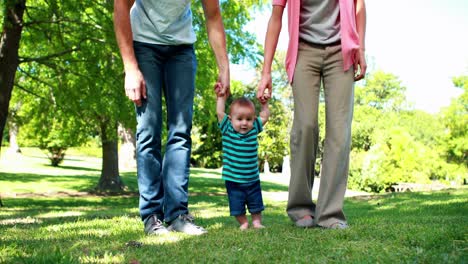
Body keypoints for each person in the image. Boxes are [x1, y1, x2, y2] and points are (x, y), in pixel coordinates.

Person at [113, 0, 230, 236]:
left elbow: (213, 16)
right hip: (143, 43)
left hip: (181, 49)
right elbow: (120, 7)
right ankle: (152, 216)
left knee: (180, 131)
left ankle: (177, 214)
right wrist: (130, 68)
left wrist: (224, 66)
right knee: (149, 128)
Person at [257, 0, 367, 229]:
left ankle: (330, 214)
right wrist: (266, 71)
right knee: (305, 126)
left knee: (339, 131)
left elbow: (359, 6)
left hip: (341, 51)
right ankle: (301, 208)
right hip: (304, 50)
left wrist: (361, 48)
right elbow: (276, 16)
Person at [215, 84, 270, 230]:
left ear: (253, 119)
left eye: (248, 119)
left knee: (256, 203)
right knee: (236, 205)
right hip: (233, 180)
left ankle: (257, 222)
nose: (244, 123)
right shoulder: (227, 129)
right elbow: (220, 112)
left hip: (252, 179)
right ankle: (243, 222)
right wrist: (221, 97)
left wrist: (264, 105)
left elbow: (264, 116)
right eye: (239, 119)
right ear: (231, 119)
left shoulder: (253, 130)